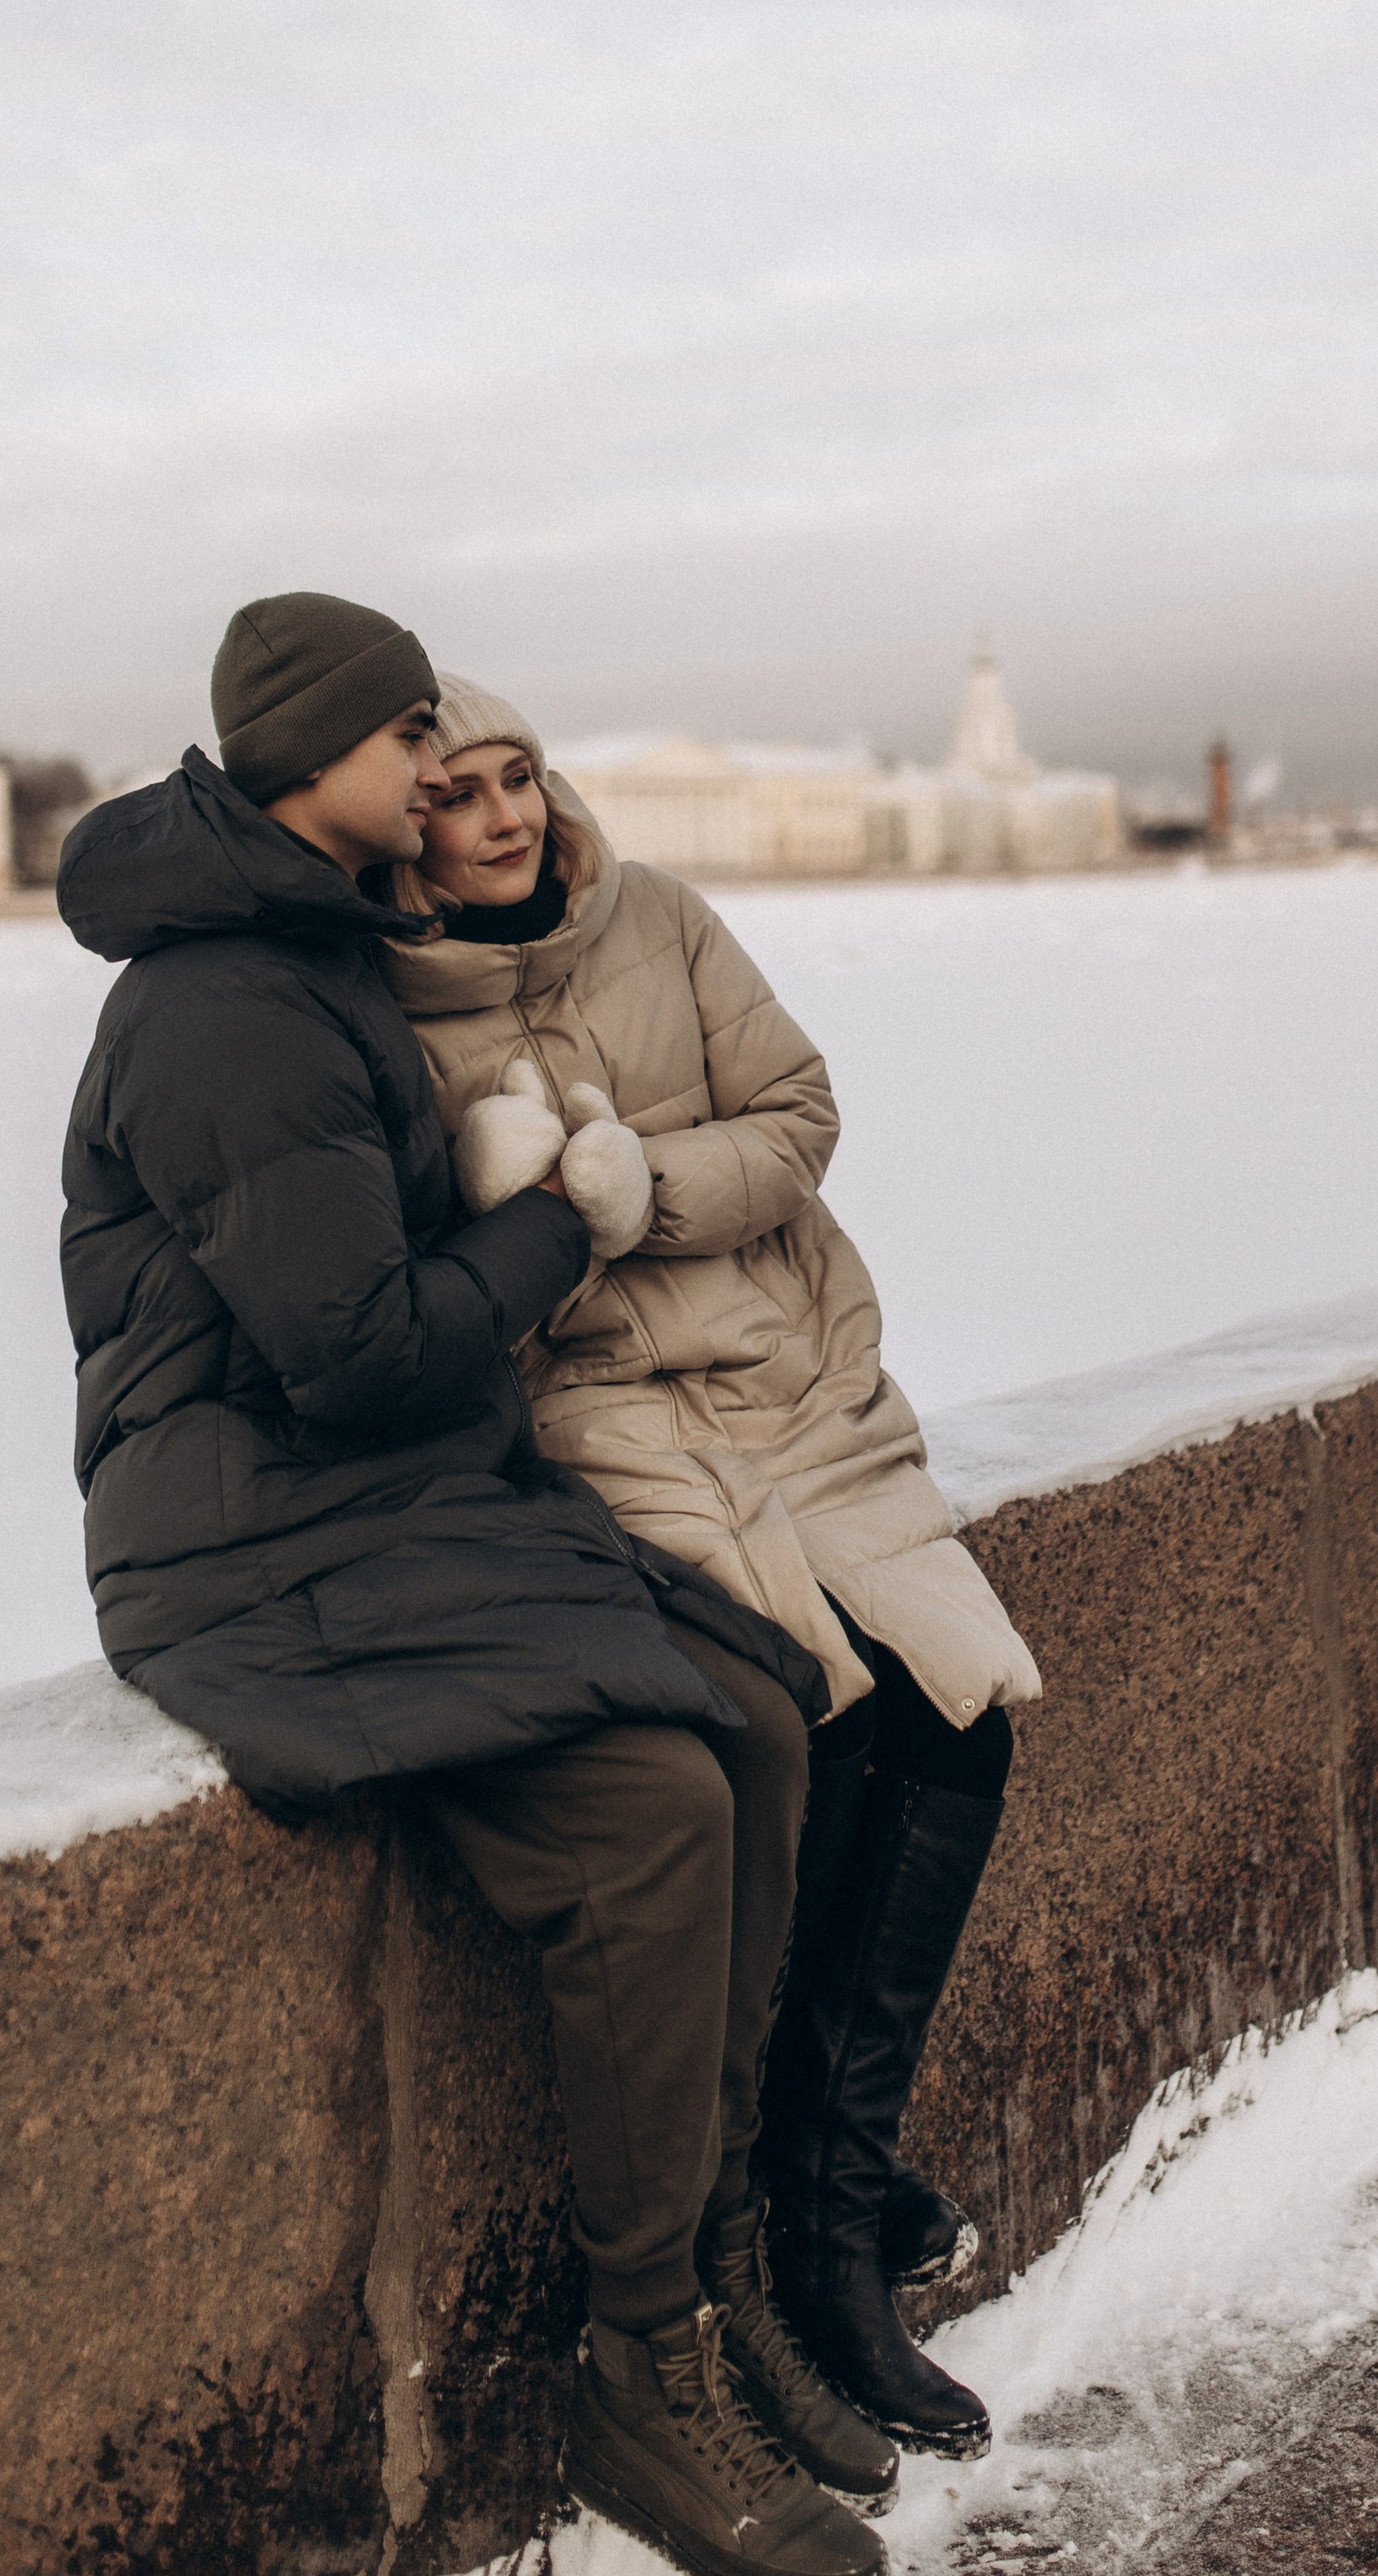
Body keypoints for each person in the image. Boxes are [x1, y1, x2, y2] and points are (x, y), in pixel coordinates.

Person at [57, 592, 895, 2576]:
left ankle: (707, 2267)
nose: (439, 758)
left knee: (767, 1713)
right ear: (317, 762)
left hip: (397, 1501)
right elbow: (355, 1354)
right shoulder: (229, 1009)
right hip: (255, 1541)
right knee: (651, 1805)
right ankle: (633, 2367)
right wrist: (555, 1221)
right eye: (406, 727)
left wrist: (503, 1185)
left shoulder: (305, 943)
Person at [382, 675, 1044, 2462]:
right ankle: (791, 2228)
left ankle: (834, 2185)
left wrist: (631, 1189)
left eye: (520, 777)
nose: (506, 815)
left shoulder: (656, 918)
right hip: (612, 1431)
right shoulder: (382, 1008)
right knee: (801, 1743)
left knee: (958, 1721)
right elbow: (422, 1296)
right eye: (456, 793)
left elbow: (798, 1111)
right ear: (402, 824)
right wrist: (529, 1222)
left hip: (794, 1389)